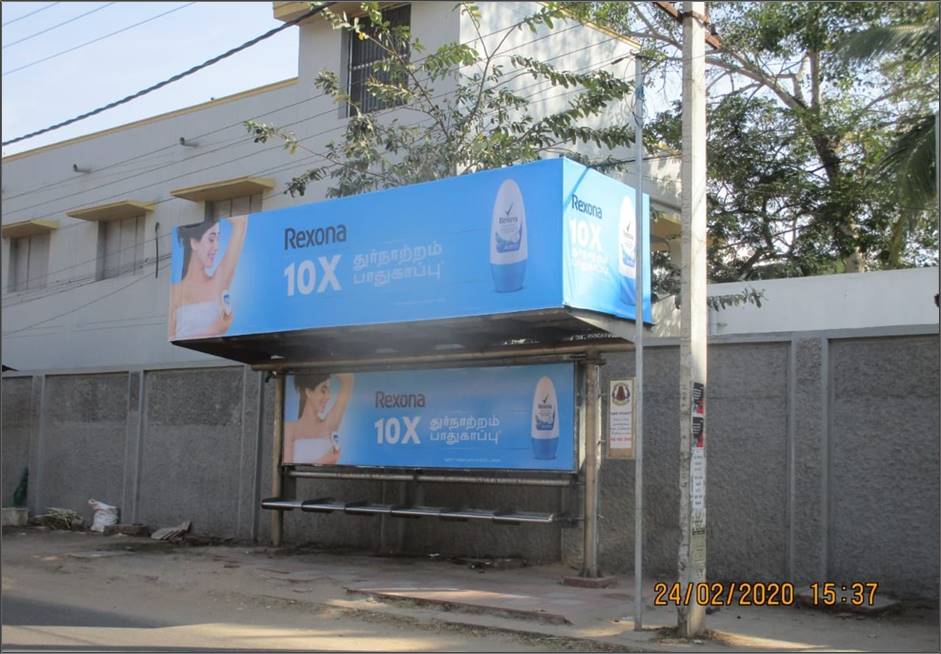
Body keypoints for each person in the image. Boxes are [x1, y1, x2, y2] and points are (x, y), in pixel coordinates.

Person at [168, 215, 247, 339]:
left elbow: (241, 224)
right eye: (211, 239)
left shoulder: (218, 282)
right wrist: (215, 329)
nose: (217, 247)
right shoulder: (175, 290)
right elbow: (172, 338)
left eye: (218, 239)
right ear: (194, 243)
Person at [284, 372, 354, 465]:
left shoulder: (329, 425)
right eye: (323, 390)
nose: (328, 396)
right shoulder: (289, 429)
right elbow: (286, 469)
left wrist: (329, 363)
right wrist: (324, 461)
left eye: (328, 390)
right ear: (309, 392)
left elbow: (348, 381)